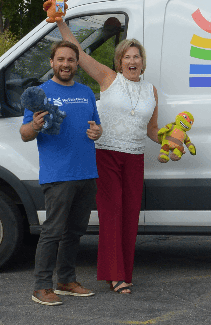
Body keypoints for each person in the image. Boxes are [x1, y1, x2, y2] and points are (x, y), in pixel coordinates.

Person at [56, 18, 159, 295]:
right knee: (112, 215)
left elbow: (152, 130)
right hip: (108, 155)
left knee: (130, 217)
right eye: (127, 56)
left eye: (137, 56)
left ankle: (125, 272)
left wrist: (173, 141)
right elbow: (79, 52)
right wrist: (61, 23)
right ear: (119, 62)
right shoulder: (109, 79)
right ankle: (115, 276)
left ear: (142, 62)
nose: (132, 60)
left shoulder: (151, 91)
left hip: (135, 158)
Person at [21, 40, 103, 306]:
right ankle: (41, 287)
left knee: (75, 231)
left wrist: (96, 133)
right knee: (53, 232)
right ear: (51, 63)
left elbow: (96, 127)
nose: (66, 64)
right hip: (58, 175)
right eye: (61, 59)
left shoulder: (87, 93)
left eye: (70, 60)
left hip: (86, 173)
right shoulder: (40, 93)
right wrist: (33, 125)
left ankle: (66, 281)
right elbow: (24, 135)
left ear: (77, 63)